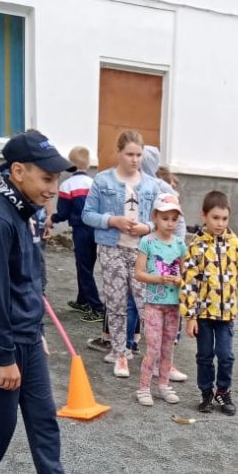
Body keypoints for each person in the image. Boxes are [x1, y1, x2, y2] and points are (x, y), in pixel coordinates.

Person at [0, 131, 98, 474]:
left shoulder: (23, 213)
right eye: (47, 179)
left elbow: (26, 283)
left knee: (42, 419)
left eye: (56, 180)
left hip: (25, 336)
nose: (53, 189)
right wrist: (4, 356)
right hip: (3, 342)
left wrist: (35, 330)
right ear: (18, 172)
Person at [82, 130, 158, 378]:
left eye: (139, 154)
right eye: (129, 154)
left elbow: (161, 220)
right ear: (119, 153)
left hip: (141, 251)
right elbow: (87, 214)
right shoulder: (103, 181)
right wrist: (112, 220)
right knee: (115, 303)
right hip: (111, 248)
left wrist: (147, 227)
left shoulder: (151, 184)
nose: (135, 159)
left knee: (147, 303)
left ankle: (157, 357)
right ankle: (120, 353)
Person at [181, 191, 238, 416]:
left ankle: (223, 391)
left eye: (224, 218)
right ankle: (206, 394)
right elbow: (188, 282)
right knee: (204, 356)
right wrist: (190, 316)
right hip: (203, 315)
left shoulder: (235, 244)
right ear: (204, 216)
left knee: (226, 355)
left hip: (226, 315)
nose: (220, 223)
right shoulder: (196, 245)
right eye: (215, 217)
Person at [133, 193, 188, 407]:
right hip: (153, 304)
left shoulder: (180, 245)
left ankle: (164, 385)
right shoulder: (147, 241)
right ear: (155, 217)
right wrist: (159, 278)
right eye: (165, 218)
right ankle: (144, 387)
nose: (170, 223)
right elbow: (139, 273)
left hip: (173, 305)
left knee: (168, 347)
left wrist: (180, 280)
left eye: (174, 219)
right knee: (153, 347)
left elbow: (186, 274)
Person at [51, 145, 104, 323]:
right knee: (88, 265)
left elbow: (63, 213)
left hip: (81, 230)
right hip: (96, 229)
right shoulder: (95, 183)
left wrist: (52, 219)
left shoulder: (67, 186)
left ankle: (97, 307)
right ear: (88, 164)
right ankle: (83, 300)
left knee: (83, 268)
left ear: (69, 164)